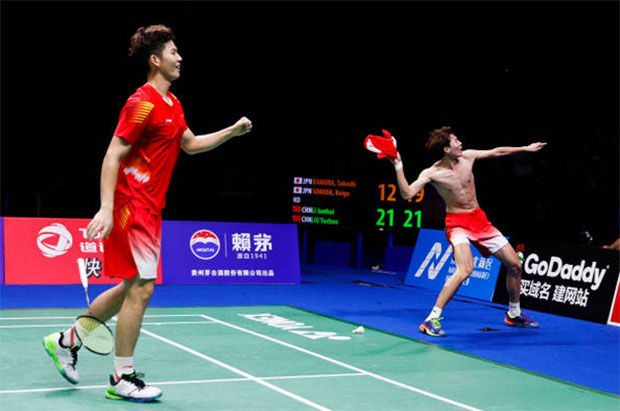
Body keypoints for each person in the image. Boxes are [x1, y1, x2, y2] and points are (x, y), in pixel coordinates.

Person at [43, 24, 252, 401]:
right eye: (173, 52)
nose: (180, 57)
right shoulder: (140, 102)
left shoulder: (173, 104)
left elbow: (189, 145)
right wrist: (106, 207)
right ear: (155, 59)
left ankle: (65, 341)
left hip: (151, 208)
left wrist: (231, 132)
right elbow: (113, 153)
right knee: (143, 288)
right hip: (132, 206)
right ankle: (122, 378)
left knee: (128, 288)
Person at [390, 126, 545, 337]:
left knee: (515, 265)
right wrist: (398, 165)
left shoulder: (468, 157)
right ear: (446, 149)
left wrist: (525, 148)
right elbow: (407, 193)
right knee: (465, 269)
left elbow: (496, 151)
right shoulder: (432, 173)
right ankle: (431, 319)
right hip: (457, 224)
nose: (460, 143)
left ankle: (514, 314)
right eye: (455, 141)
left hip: (479, 220)